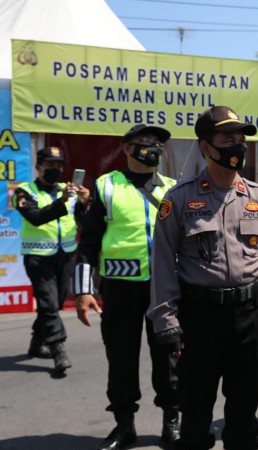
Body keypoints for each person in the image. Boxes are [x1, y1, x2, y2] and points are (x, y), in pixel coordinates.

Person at [147, 105, 258, 450]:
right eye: (228, 139)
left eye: (240, 140)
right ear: (206, 147)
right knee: (196, 416)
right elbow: (163, 265)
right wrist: (166, 323)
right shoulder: (180, 199)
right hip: (199, 320)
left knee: (244, 416)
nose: (237, 147)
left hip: (247, 317)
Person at [73, 124, 179, 450]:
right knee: (120, 359)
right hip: (119, 289)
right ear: (127, 149)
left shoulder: (174, 189)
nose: (153, 147)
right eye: (144, 142)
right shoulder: (106, 186)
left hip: (163, 290)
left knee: (170, 358)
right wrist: (83, 290)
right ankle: (124, 425)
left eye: (157, 143)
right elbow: (88, 242)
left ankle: (171, 422)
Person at [12, 146, 90, 373]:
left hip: (65, 255)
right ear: (38, 167)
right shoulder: (24, 191)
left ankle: (36, 345)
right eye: (50, 165)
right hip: (38, 257)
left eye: (59, 165)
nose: (55, 169)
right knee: (48, 303)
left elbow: (82, 221)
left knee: (53, 304)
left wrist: (85, 203)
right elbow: (35, 218)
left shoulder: (69, 192)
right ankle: (58, 348)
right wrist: (62, 202)